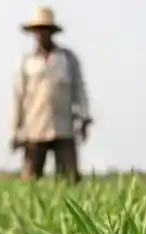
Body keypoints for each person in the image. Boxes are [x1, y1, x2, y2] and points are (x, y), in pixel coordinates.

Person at [10, 7, 92, 183]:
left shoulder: (67, 59)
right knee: (30, 180)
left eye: (45, 30)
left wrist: (84, 118)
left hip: (63, 126)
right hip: (34, 127)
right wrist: (14, 130)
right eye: (37, 30)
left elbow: (79, 89)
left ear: (52, 32)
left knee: (70, 179)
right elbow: (18, 97)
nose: (41, 34)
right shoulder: (27, 62)